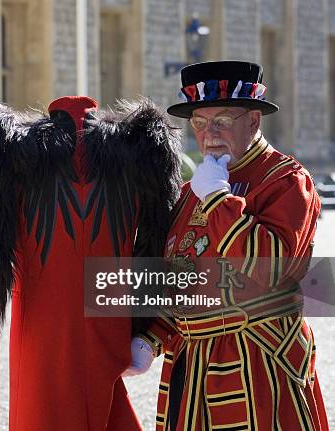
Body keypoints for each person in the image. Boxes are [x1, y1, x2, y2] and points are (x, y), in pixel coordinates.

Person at [129, 61, 329, 430]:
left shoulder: (286, 180)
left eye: (222, 121)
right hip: (192, 369)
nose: (209, 135)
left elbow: (269, 270)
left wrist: (219, 200)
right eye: (200, 124)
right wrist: (149, 339)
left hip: (259, 363)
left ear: (253, 120)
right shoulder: (192, 192)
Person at [0, 96, 181, 430]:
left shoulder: (13, 147)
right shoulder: (137, 148)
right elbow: (155, 241)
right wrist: (146, 330)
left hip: (41, 316)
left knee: (43, 412)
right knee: (102, 406)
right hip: (108, 311)